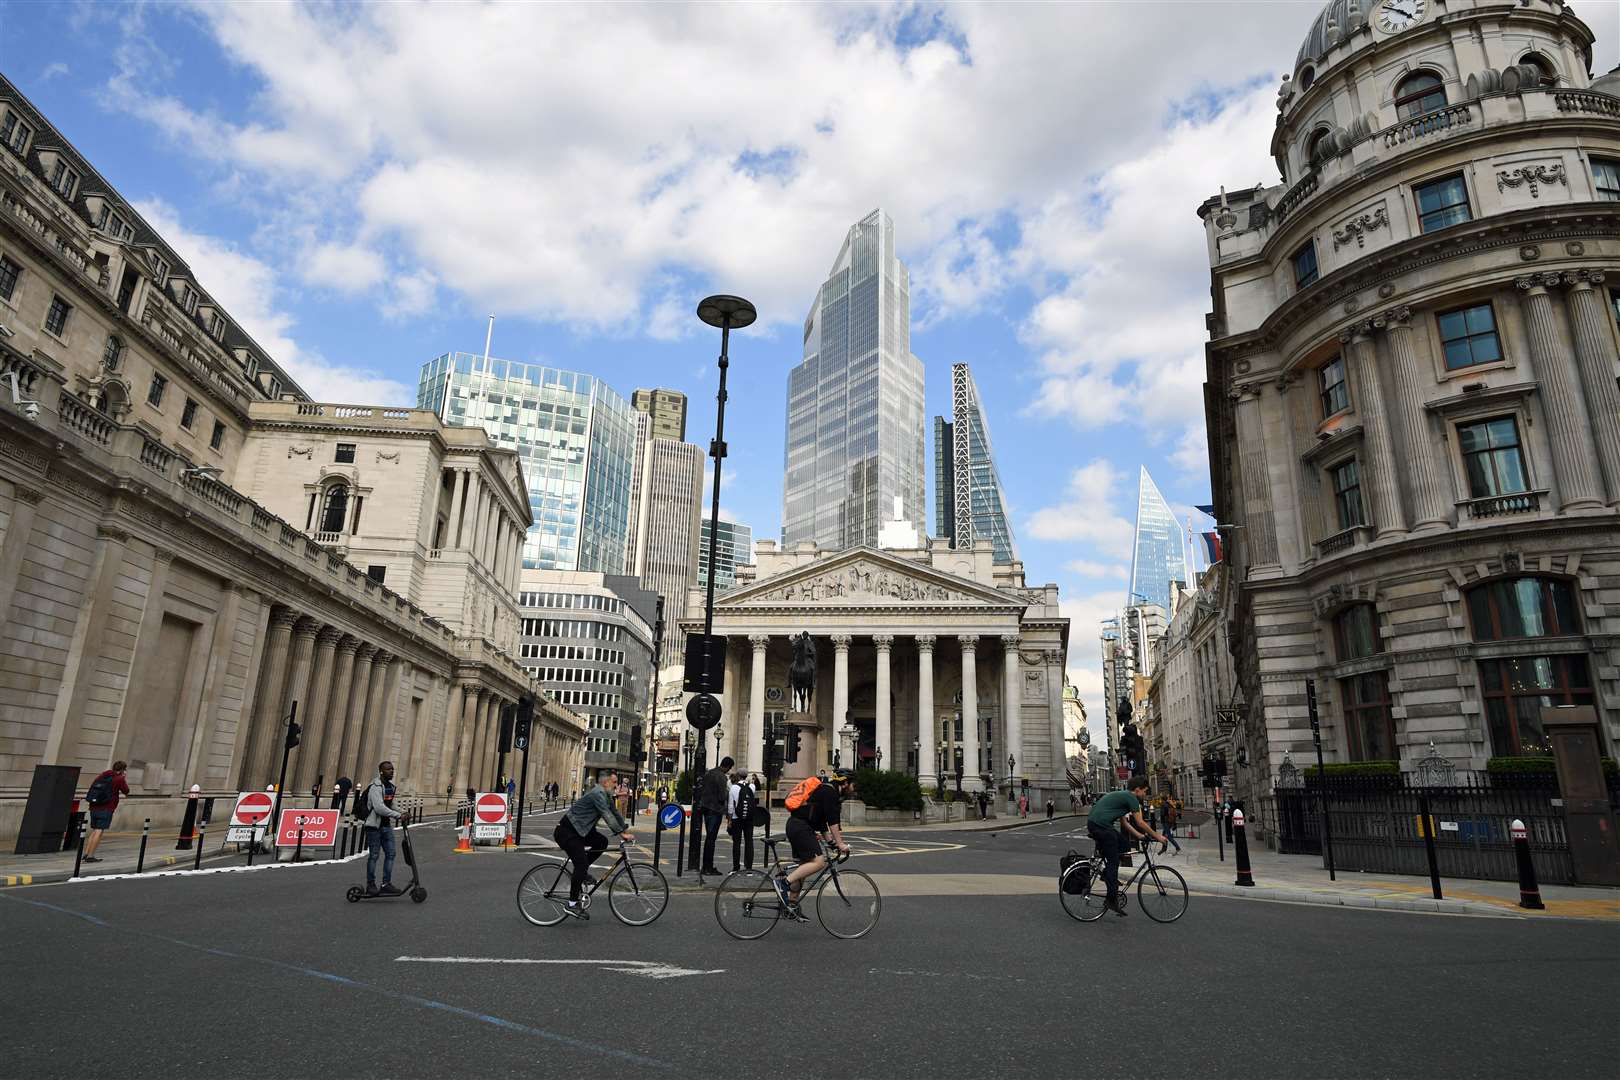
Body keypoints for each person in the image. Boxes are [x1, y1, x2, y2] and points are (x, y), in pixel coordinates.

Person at [773, 768, 853, 918]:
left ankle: (791, 905)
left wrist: (831, 842)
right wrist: (840, 843)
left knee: (804, 868)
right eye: (853, 785)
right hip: (801, 828)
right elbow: (832, 821)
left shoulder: (825, 790)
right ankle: (783, 883)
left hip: (797, 826)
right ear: (846, 783)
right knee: (818, 862)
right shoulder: (830, 793)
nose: (854, 789)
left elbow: (822, 822)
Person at [552, 773, 631, 919]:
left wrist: (625, 829)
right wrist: (621, 834)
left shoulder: (606, 796)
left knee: (602, 842)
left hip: (581, 831)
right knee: (581, 864)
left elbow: (614, 813)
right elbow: (606, 815)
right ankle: (572, 904)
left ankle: (581, 874)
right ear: (606, 782)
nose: (616, 786)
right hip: (567, 832)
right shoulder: (597, 794)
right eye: (614, 782)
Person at [1086, 776, 1165, 918]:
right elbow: (1140, 822)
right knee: (1114, 862)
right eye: (1144, 791)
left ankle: (1107, 874)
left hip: (1097, 824)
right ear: (1137, 790)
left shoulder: (1123, 797)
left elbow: (1125, 823)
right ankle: (1111, 900)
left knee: (1124, 844)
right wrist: (1158, 836)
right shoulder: (1132, 798)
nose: (1145, 795)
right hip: (1100, 826)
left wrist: (1140, 836)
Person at [362, 761, 405, 896]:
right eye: (388, 769)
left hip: (386, 826)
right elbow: (379, 808)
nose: (391, 771)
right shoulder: (375, 787)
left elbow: (390, 803)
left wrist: (403, 812)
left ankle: (386, 883)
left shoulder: (389, 787)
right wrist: (398, 816)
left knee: (391, 854)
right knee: (374, 856)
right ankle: (370, 885)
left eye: (392, 769)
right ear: (381, 771)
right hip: (374, 827)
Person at [81, 760, 130, 863]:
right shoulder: (119, 779)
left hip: (94, 806)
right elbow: (126, 790)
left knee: (94, 830)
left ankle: (86, 853)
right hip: (106, 807)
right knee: (99, 831)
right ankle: (91, 856)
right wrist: (123, 778)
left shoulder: (103, 776)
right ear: (122, 770)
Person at [697, 755, 733, 876]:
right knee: (711, 839)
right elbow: (722, 796)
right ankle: (708, 867)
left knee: (709, 838)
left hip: (706, 808)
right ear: (727, 767)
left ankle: (706, 866)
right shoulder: (721, 777)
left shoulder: (709, 773)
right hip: (715, 810)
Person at [728, 770, 758, 872]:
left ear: (738, 776)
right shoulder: (752, 787)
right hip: (749, 818)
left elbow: (731, 806)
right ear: (746, 776)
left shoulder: (734, 788)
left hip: (737, 818)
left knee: (736, 843)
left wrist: (729, 820)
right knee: (749, 841)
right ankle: (748, 867)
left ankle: (736, 867)